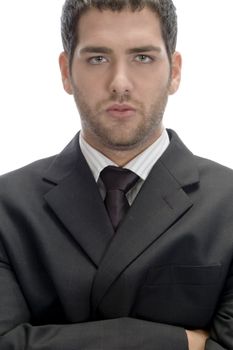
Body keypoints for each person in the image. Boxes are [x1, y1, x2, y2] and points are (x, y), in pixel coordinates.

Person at [0, 0, 233, 349]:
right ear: (65, 71)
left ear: (176, 71)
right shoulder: (7, 205)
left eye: (142, 57)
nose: (119, 83)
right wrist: (181, 343)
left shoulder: (228, 202)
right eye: (97, 58)